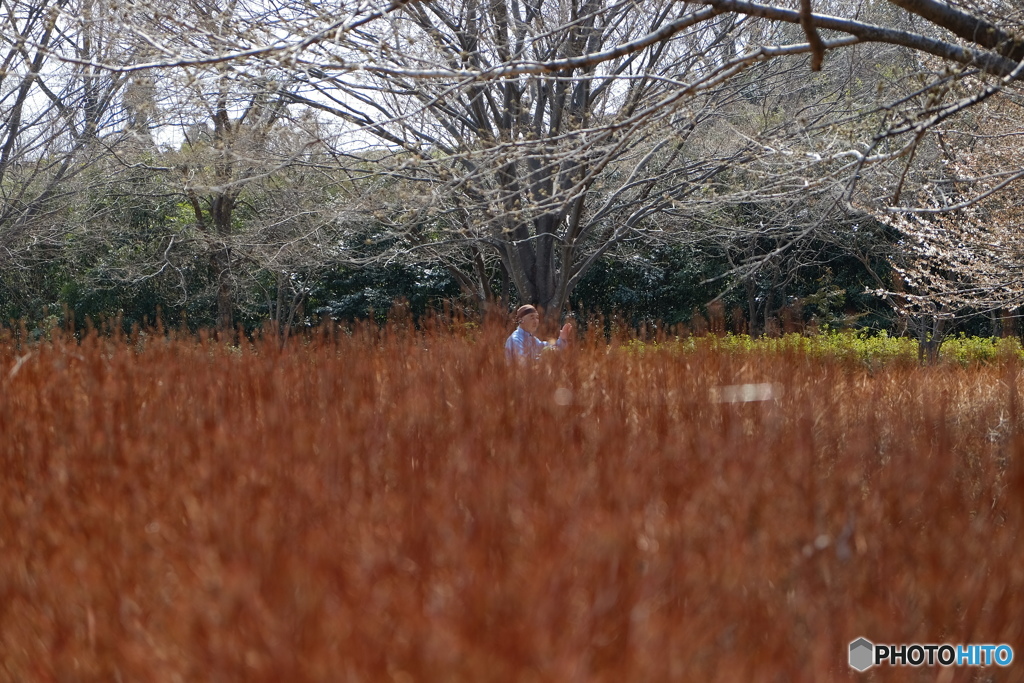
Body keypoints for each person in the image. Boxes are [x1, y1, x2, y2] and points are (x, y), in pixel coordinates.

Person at [504, 305, 573, 362]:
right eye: (532, 317)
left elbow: (548, 347)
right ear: (520, 320)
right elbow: (523, 363)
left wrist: (562, 339)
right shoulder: (516, 339)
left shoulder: (532, 339)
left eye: (537, 318)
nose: (535, 321)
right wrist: (544, 357)